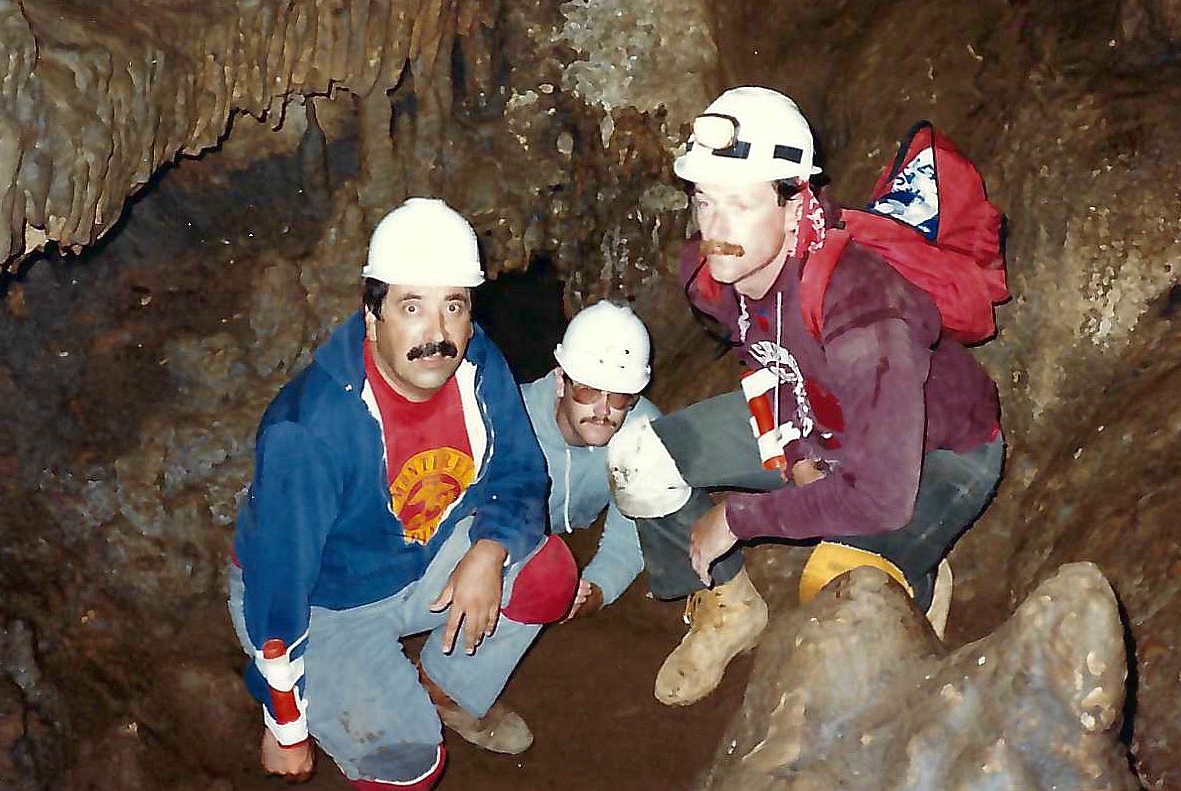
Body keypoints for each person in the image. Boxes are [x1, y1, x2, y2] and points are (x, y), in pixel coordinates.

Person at [610, 86, 1005, 707]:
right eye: (704, 201)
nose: (715, 229)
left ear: (796, 205)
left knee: (837, 586)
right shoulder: (718, 272)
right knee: (637, 458)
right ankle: (730, 607)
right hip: (823, 414)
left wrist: (739, 516)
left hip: (937, 455)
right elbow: (763, 357)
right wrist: (791, 443)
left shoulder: (865, 311)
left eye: (739, 204)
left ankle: (916, 581)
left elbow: (879, 493)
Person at [229, 197, 577, 790]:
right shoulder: (311, 432)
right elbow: (277, 585)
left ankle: (446, 687)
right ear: (372, 315)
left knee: (547, 572)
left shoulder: (475, 362)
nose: (437, 335)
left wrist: (489, 550)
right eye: (412, 307)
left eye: (454, 307)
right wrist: (283, 721)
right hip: (324, 602)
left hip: (422, 558)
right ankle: (346, 691)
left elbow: (520, 470)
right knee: (407, 764)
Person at [520, 301, 662, 619]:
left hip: (567, 542)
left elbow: (631, 534)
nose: (603, 410)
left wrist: (596, 590)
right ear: (561, 381)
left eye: (620, 396)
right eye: (588, 391)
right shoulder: (511, 421)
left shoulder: (643, 433)